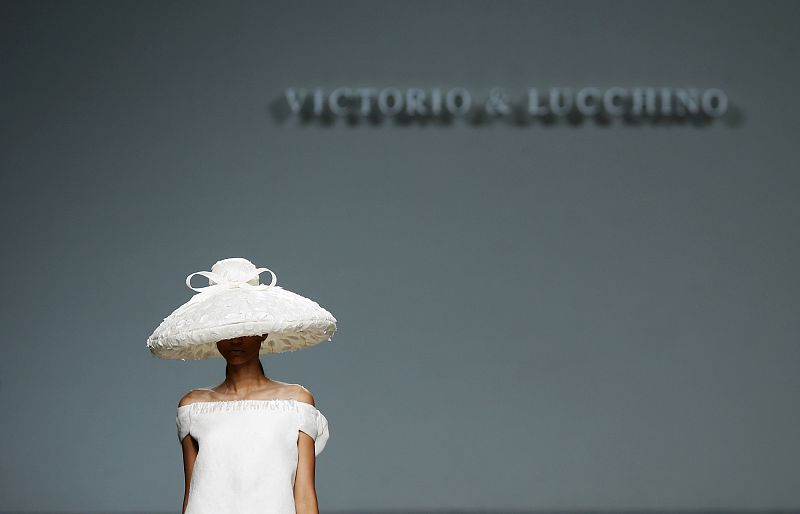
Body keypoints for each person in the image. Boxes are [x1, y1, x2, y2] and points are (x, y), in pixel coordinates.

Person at [147, 257, 337, 514]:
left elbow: (303, 495)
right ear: (214, 337)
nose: (236, 340)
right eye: (226, 330)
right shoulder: (193, 407)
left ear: (263, 332)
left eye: (246, 328)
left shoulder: (296, 403)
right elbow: (193, 494)